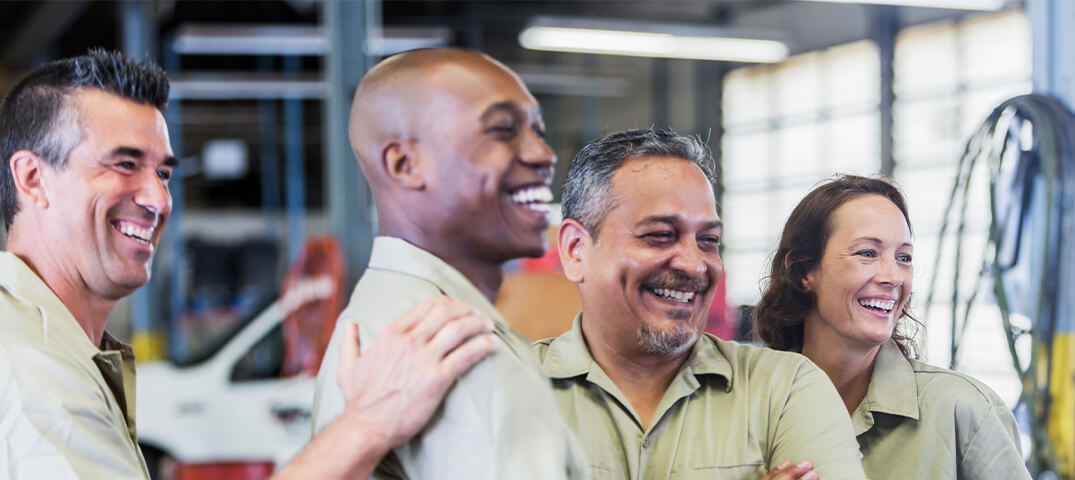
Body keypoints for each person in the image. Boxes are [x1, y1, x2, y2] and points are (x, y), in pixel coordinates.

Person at [0, 50, 495, 480]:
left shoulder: (60, 349)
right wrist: (368, 424)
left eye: (164, 172)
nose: (158, 198)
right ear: (33, 178)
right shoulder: (31, 372)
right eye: (124, 164)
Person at [310, 47, 588, 479]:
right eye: (503, 130)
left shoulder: (387, 316)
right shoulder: (448, 344)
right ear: (405, 165)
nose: (543, 154)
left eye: (537, 130)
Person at [538, 129, 868, 480]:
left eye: (708, 241)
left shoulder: (785, 390)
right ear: (576, 249)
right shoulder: (501, 389)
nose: (695, 265)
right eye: (660, 236)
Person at [753, 175, 1030, 479]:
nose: (894, 277)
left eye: (904, 258)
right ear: (804, 270)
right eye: (867, 253)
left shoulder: (965, 412)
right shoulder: (746, 411)